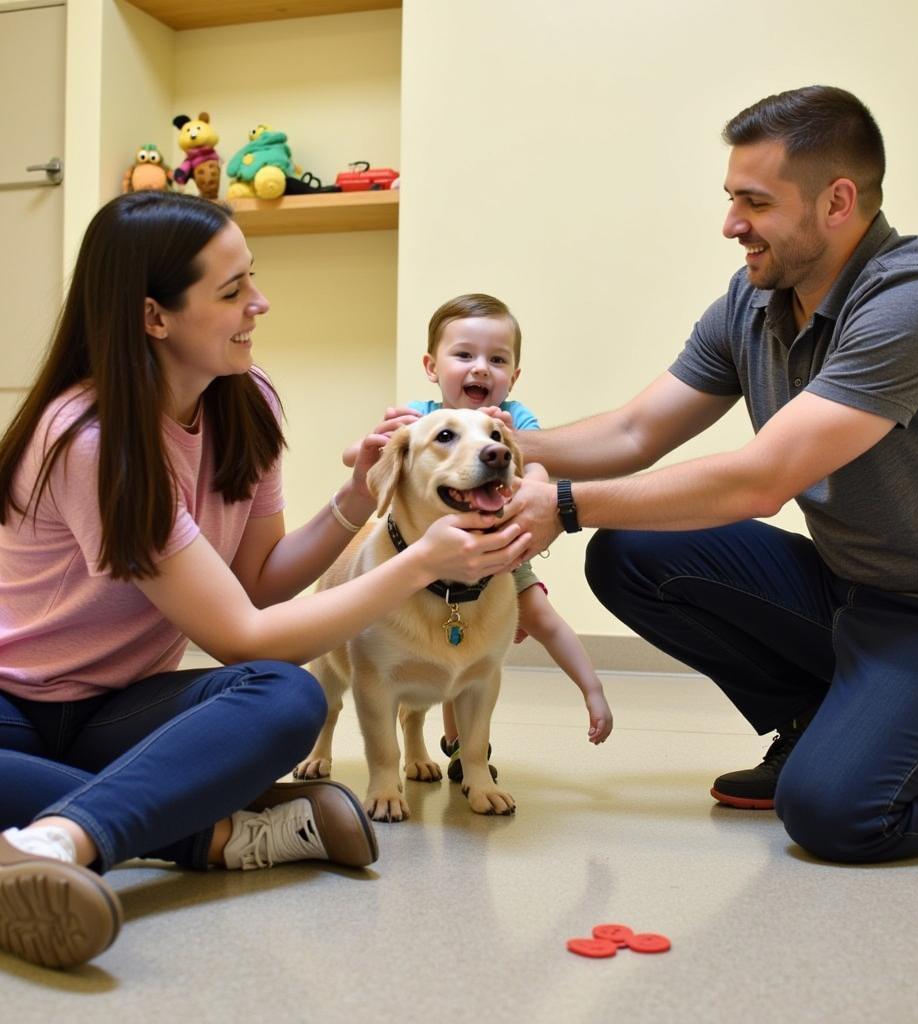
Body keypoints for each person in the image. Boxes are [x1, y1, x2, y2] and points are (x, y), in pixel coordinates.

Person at [0, 191, 530, 971]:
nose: (261, 302)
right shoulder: (93, 438)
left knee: (288, 695)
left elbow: (257, 585)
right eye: (231, 291)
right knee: (260, 684)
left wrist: (355, 502)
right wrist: (419, 563)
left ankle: (93, 815)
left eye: (254, 277)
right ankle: (159, 831)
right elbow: (237, 634)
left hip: (119, 705)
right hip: (14, 703)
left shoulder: (246, 402)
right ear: (155, 317)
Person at [503, 84, 918, 864]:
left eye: (754, 202)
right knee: (630, 553)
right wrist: (492, 446)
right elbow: (637, 430)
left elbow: (761, 479)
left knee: (834, 813)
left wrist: (566, 506)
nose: (730, 225)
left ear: (838, 201)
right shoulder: (753, 300)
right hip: (857, 591)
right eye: (730, 198)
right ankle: (818, 718)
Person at [344, 294, 613, 782]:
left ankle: (587, 692)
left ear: (514, 373)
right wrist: (378, 441)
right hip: (418, 557)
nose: (480, 369)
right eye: (464, 356)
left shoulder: (511, 424)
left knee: (517, 631)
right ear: (432, 366)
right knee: (421, 663)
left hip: (501, 551)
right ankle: (439, 748)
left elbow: (536, 468)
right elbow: (360, 459)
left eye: (497, 359)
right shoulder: (417, 418)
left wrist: (531, 490)